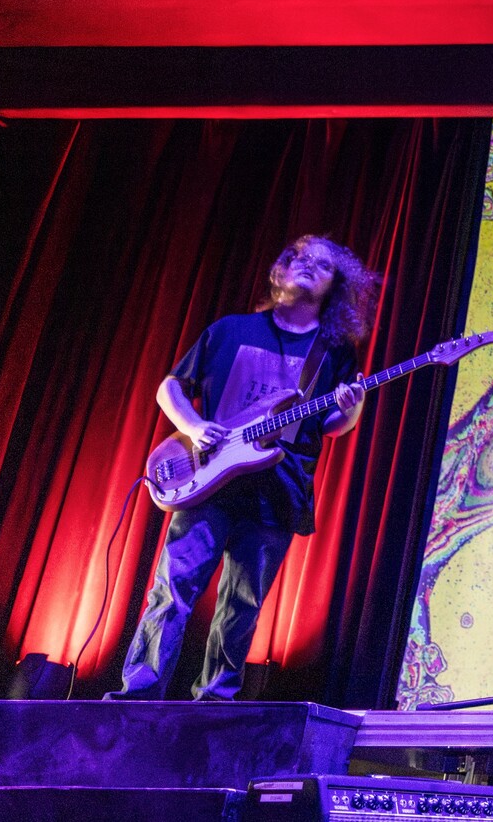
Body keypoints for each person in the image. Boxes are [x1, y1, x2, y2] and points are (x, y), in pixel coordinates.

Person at [108, 235, 378, 700]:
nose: (305, 263)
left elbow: (330, 424)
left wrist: (353, 406)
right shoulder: (232, 330)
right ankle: (135, 698)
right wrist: (193, 428)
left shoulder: (332, 354)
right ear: (280, 270)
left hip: (278, 491)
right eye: (296, 255)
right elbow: (170, 387)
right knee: (172, 591)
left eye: (321, 262)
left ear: (336, 284)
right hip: (208, 481)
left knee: (241, 607)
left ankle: (213, 707)